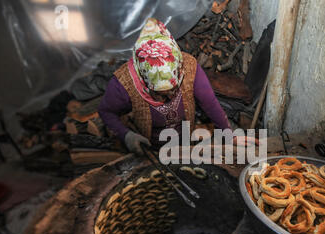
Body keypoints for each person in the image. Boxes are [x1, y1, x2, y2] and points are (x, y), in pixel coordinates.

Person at [99, 18, 253, 156]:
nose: (166, 97)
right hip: (149, 149)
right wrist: (126, 135)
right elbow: (106, 112)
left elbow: (210, 103)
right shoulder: (124, 82)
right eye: (157, 93)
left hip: (184, 145)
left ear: (179, 70)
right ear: (143, 77)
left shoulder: (189, 66)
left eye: (172, 90)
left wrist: (230, 135)